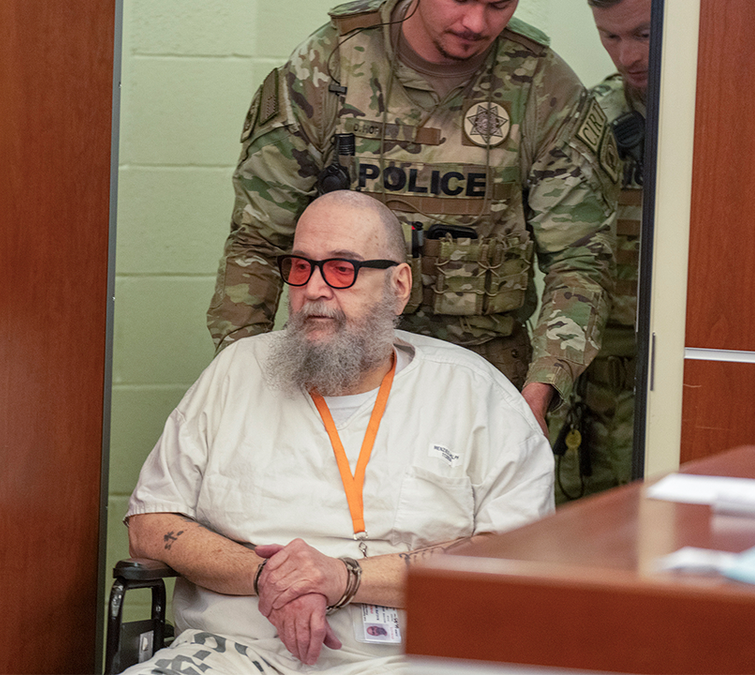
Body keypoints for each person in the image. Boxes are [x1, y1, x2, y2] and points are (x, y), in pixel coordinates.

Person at [127, 191, 554, 673]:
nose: (314, 289)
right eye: (301, 267)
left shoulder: (475, 393)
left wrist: (343, 578)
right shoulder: (237, 371)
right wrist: (270, 576)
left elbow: (517, 556)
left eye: (341, 269)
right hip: (236, 652)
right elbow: (150, 524)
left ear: (398, 285)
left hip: (411, 658)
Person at [207, 0, 619, 433]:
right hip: (338, 374)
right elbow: (258, 241)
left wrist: (541, 390)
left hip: (483, 388)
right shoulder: (329, 65)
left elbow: (579, 260)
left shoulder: (544, 87)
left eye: (499, 4)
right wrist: (239, 374)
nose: (476, 23)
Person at [549, 0, 649, 502]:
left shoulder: (733, 114)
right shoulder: (590, 118)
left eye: (644, 35)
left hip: (684, 381)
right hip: (593, 393)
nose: (627, 56)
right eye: (610, 37)